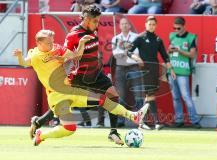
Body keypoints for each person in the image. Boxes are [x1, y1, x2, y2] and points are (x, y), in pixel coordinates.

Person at [13, 29, 149, 146]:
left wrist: (81, 44)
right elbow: (24, 63)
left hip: (70, 90)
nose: (52, 44)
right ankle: (41, 135)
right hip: (56, 97)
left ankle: (133, 116)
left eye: (52, 41)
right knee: (69, 128)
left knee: (102, 99)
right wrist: (19, 56)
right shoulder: (35, 54)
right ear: (39, 43)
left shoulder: (57, 48)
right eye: (48, 43)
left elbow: (76, 56)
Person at [64, 5, 132, 145]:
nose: (97, 24)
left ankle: (113, 132)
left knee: (113, 95)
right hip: (79, 76)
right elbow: (65, 55)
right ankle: (39, 121)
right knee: (62, 103)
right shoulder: (73, 35)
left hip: (95, 73)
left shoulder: (93, 29)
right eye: (95, 21)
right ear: (87, 19)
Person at [128, 16, 176, 130]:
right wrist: (136, 57)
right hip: (144, 70)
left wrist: (171, 69)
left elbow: (165, 56)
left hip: (155, 70)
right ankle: (157, 122)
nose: (151, 26)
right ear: (145, 25)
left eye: (153, 24)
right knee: (150, 96)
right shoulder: (140, 37)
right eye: (149, 24)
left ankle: (141, 122)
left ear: (156, 26)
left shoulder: (158, 39)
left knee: (148, 97)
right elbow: (128, 51)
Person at [167, 17, 201, 128]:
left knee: (186, 96)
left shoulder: (191, 37)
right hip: (172, 70)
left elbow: (192, 54)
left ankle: (195, 120)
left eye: (178, 28)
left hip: (183, 71)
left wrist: (179, 50)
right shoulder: (172, 36)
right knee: (175, 97)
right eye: (174, 28)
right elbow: (167, 52)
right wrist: (169, 50)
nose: (176, 30)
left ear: (183, 26)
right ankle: (179, 119)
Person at [112, 17, 144, 127]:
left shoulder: (135, 37)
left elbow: (137, 54)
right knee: (121, 96)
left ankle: (140, 120)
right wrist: (129, 52)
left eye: (126, 23)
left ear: (129, 26)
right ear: (120, 26)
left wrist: (125, 52)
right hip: (120, 68)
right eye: (122, 24)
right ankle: (120, 120)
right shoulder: (115, 38)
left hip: (134, 67)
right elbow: (116, 55)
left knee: (138, 94)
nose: (124, 25)